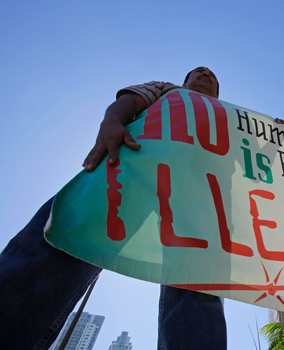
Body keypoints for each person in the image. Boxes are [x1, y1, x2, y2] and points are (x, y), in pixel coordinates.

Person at [0, 67, 233, 350]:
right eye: (199, 72)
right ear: (184, 82)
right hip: (132, 166)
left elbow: (252, 165)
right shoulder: (166, 89)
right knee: (64, 239)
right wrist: (111, 123)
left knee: (198, 285)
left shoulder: (232, 116)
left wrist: (273, 142)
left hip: (197, 193)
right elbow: (128, 101)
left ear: (218, 93)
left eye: (211, 74)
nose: (205, 73)